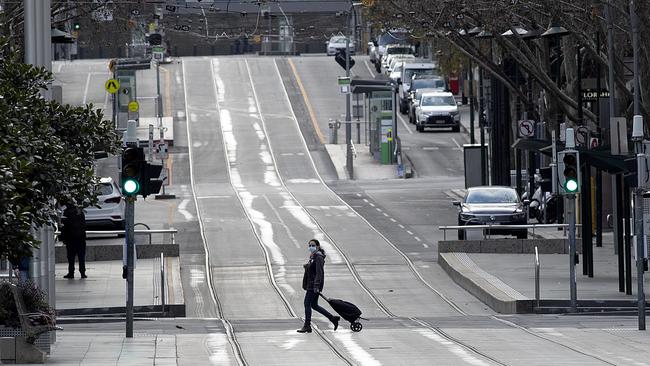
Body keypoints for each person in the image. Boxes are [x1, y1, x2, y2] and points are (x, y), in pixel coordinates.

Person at [297, 239, 339, 333]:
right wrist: (307, 266)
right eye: (309, 245)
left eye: (312, 245)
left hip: (313, 285)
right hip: (311, 284)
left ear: (318, 246)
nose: (310, 247)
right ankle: (332, 318)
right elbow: (313, 269)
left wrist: (316, 286)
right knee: (314, 305)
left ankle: (307, 325)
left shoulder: (318, 257)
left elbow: (319, 273)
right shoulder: (313, 256)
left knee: (307, 304)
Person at [60, 204, 87, 279]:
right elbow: (84, 225)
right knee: (81, 256)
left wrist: (63, 238)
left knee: (71, 257)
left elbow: (63, 227)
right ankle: (82, 273)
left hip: (70, 238)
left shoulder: (66, 212)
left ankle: (71, 272)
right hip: (81, 238)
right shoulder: (80, 212)